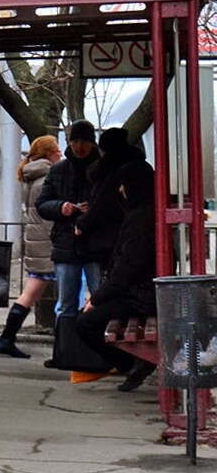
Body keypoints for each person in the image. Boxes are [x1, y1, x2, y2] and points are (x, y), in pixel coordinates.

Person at [74, 159, 159, 391]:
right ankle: (132, 364)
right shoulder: (143, 213)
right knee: (89, 318)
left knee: (85, 323)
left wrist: (98, 298)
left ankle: (131, 364)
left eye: (123, 185)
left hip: (140, 296)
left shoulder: (139, 220)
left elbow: (125, 270)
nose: (120, 190)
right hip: (144, 291)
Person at [0, 135, 63, 358]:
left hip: (37, 240)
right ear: (47, 154)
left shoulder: (32, 176)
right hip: (48, 241)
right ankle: (66, 347)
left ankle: (7, 337)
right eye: (56, 150)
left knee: (31, 292)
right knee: (69, 294)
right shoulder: (47, 178)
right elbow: (50, 213)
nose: (60, 153)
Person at [36, 121, 99, 322]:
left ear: (93, 143)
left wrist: (95, 210)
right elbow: (42, 204)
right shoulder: (58, 170)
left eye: (85, 142)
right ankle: (64, 350)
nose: (80, 147)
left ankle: (96, 350)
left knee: (100, 300)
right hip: (66, 243)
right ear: (69, 142)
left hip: (97, 245)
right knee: (65, 305)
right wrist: (61, 207)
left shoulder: (102, 169)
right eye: (76, 141)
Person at [74, 127, 143, 281]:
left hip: (109, 240)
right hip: (132, 235)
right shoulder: (136, 166)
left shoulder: (111, 173)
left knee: (109, 283)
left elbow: (101, 206)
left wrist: (81, 223)